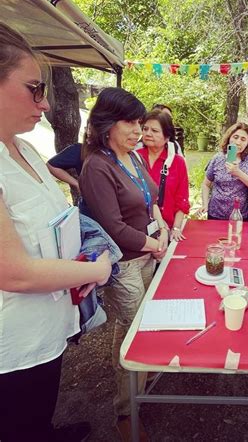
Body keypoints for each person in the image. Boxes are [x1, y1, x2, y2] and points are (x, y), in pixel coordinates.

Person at [0, 22, 111, 442]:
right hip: (12, 341)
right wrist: (94, 271)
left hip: (47, 323)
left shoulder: (24, 147)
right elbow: (14, 272)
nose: (44, 104)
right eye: (33, 88)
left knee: (41, 406)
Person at [79, 87, 169, 441]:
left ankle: (135, 392)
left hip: (147, 255)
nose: (137, 130)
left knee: (130, 330)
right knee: (138, 335)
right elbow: (113, 227)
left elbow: (150, 202)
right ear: (106, 124)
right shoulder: (96, 167)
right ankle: (125, 412)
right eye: (129, 122)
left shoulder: (135, 157)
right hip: (125, 265)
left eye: (139, 122)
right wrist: (154, 242)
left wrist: (160, 230)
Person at [137, 110, 190, 241]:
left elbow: (182, 199)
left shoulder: (177, 162)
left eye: (155, 131)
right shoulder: (134, 157)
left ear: (167, 136)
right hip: (137, 230)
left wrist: (176, 228)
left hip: (168, 228)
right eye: (145, 129)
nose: (148, 133)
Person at [200, 122, 248, 220]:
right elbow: (206, 184)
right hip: (215, 214)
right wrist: (205, 204)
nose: (238, 142)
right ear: (229, 138)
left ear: (247, 143)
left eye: (243, 139)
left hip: (240, 216)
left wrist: (238, 173)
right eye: (235, 137)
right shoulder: (218, 158)